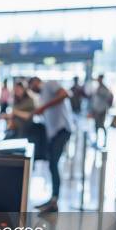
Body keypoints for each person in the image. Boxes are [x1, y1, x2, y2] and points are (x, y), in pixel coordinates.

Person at [29, 77, 72, 213]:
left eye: (31, 85)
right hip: (54, 133)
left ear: (36, 81)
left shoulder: (50, 84)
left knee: (53, 163)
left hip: (62, 130)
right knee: (52, 164)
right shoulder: (42, 95)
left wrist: (43, 107)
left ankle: (54, 200)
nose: (31, 89)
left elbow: (65, 94)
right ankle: (53, 198)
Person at [88, 74, 113, 144]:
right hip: (96, 109)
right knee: (96, 125)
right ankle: (96, 139)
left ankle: (105, 140)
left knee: (101, 125)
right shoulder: (97, 87)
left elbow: (108, 98)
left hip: (102, 109)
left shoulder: (105, 89)